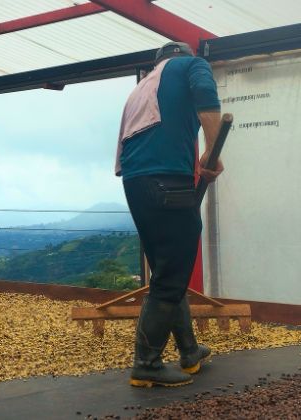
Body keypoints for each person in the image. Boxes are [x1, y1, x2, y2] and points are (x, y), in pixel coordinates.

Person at [115, 41, 224, 387]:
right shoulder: (191, 66)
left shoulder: (142, 88)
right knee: (172, 271)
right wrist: (210, 152)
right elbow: (206, 91)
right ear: (183, 56)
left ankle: (189, 351)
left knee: (167, 269)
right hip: (166, 181)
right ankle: (146, 363)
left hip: (136, 183)